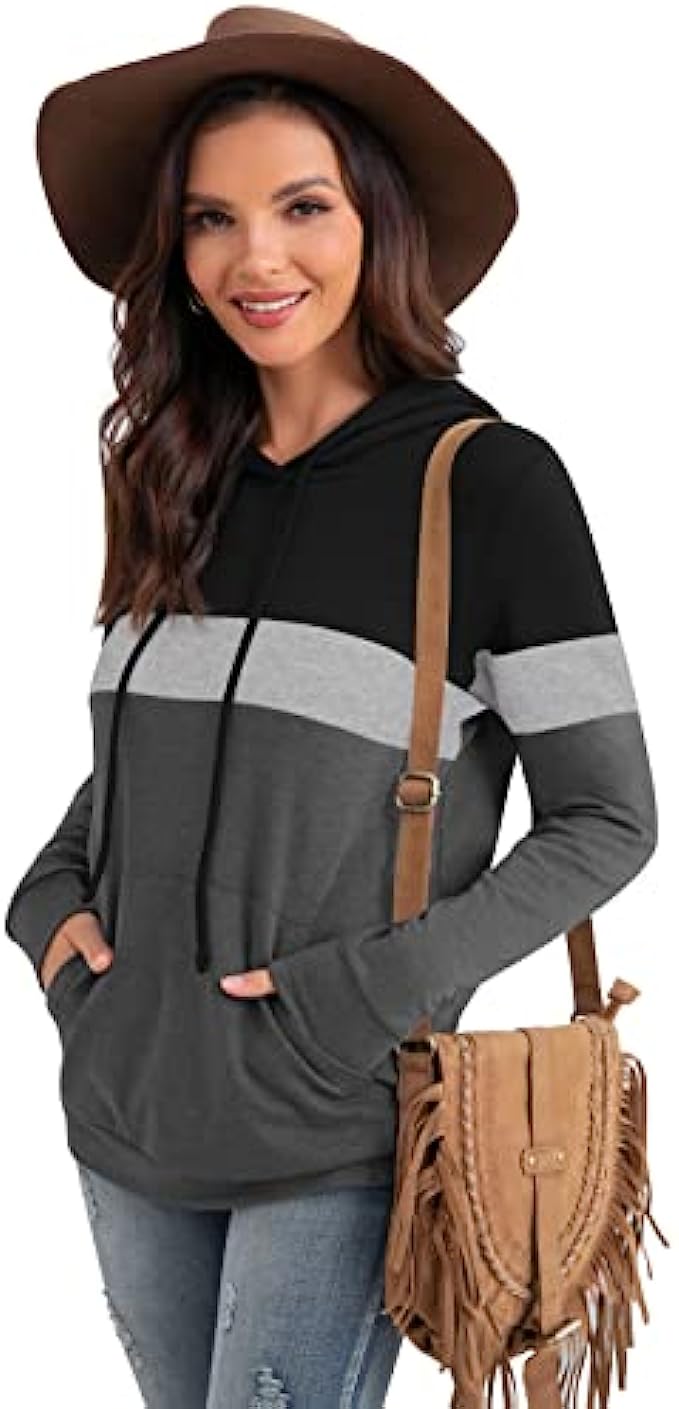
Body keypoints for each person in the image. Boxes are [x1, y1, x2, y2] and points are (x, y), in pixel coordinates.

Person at [4, 8, 658, 1408]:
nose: (257, 258)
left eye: (303, 207)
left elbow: (608, 818)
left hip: (334, 1122)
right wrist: (48, 913)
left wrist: (358, 999)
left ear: (378, 221)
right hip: (125, 1108)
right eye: (212, 218)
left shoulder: (490, 485)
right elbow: (142, 758)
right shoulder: (169, 472)